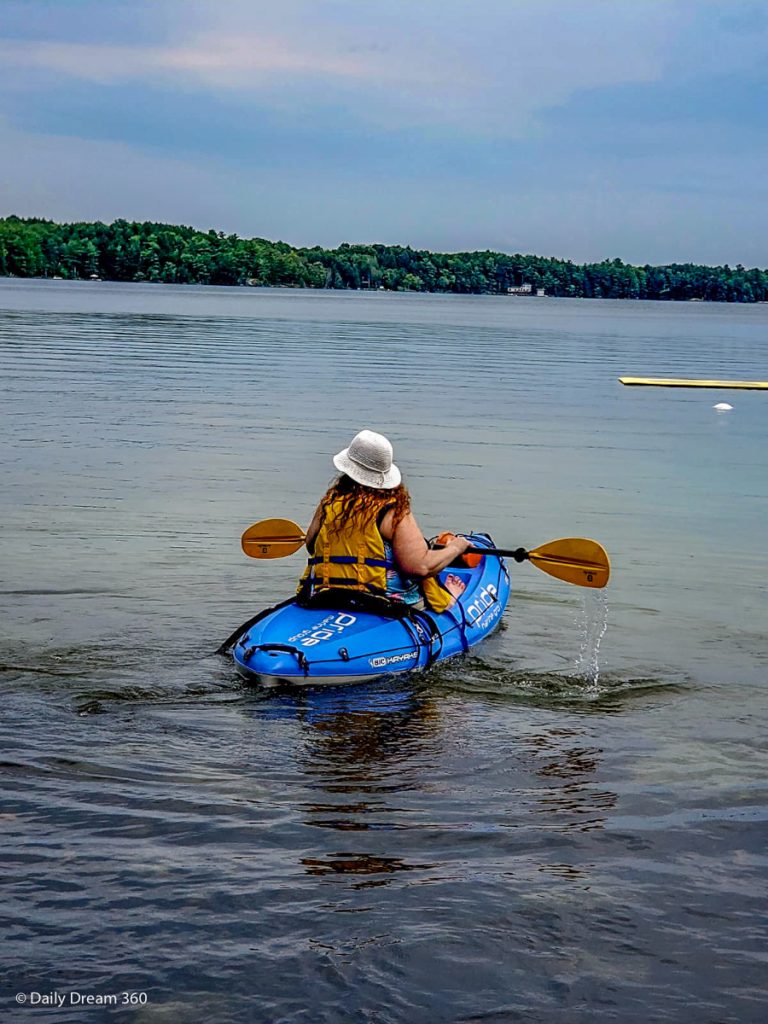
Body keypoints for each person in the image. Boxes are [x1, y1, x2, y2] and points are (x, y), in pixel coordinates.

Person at [299, 429, 472, 613]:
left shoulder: (329, 503)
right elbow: (419, 567)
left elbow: (312, 545)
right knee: (428, 583)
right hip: (383, 603)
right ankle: (450, 598)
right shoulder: (391, 510)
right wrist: (456, 548)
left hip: (327, 595)